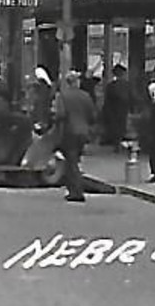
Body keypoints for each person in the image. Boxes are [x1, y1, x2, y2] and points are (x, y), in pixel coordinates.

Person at [51, 71, 98, 203]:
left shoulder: (63, 96)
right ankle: (74, 189)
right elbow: (93, 116)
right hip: (83, 132)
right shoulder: (86, 96)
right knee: (75, 160)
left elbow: (60, 114)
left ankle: (76, 191)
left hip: (69, 131)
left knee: (71, 162)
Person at [102, 64, 133, 148]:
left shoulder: (111, 86)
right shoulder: (128, 85)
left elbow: (107, 101)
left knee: (116, 127)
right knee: (122, 127)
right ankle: (119, 143)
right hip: (124, 110)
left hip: (114, 111)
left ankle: (117, 143)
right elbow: (132, 97)